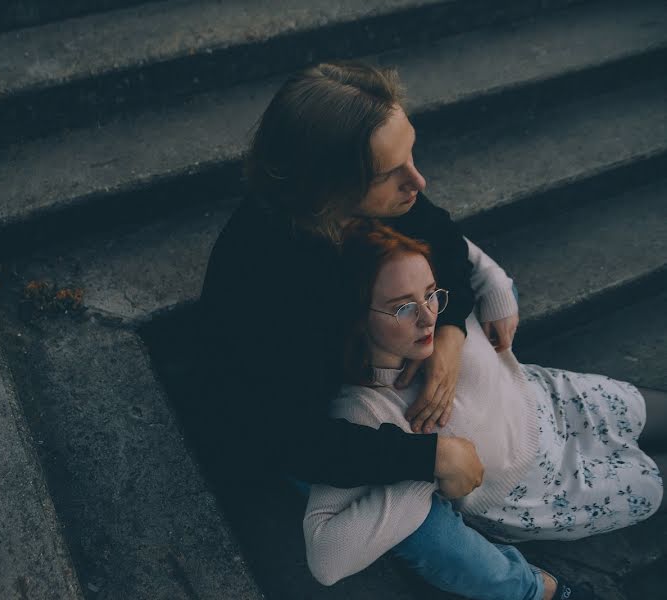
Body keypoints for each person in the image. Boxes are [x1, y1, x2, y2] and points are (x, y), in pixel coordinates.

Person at [199, 62, 576, 598]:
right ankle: (535, 589)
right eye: (389, 173)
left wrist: (449, 331)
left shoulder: (381, 202)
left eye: (411, 155)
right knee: (427, 532)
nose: (417, 181)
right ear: (328, 184)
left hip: (378, 375)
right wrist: (429, 459)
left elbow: (445, 243)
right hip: (313, 421)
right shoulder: (263, 280)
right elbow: (287, 436)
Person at [303, 221, 665, 597]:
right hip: (548, 491)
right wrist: (425, 471)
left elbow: (462, 249)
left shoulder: (445, 317)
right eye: (405, 308)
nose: (428, 316)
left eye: (430, 293)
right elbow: (326, 559)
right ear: (359, 318)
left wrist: (496, 285)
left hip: (553, 398)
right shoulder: (364, 409)